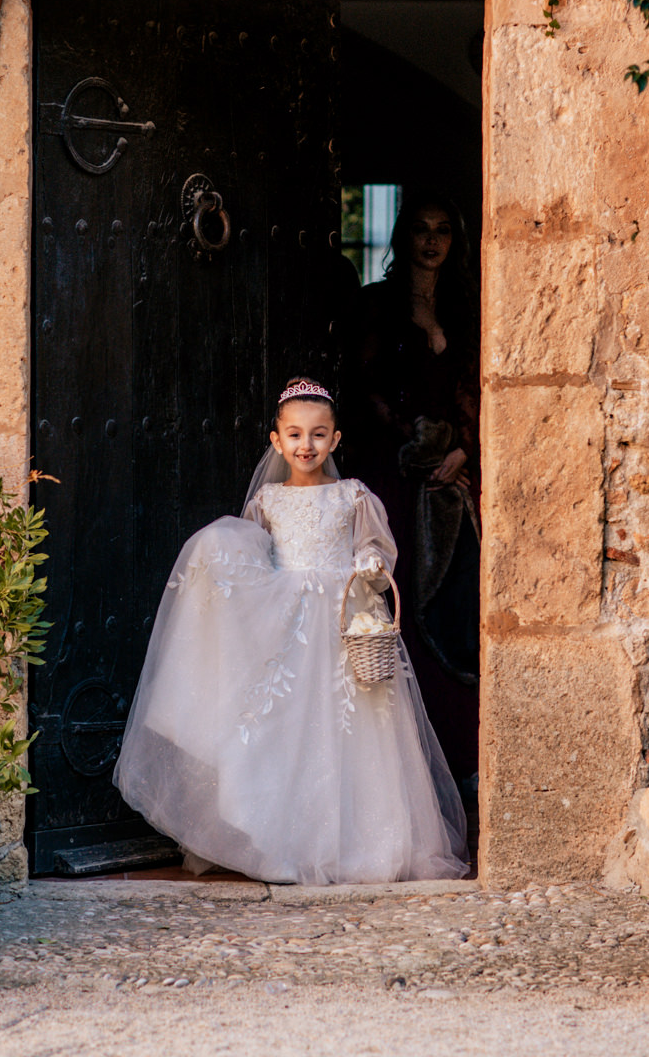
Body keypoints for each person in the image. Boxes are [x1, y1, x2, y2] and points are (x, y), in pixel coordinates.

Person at [114, 378, 468, 885]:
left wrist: (367, 565)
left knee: (349, 729)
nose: (307, 445)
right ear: (277, 441)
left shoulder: (353, 495)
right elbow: (253, 554)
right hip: (287, 625)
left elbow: (376, 546)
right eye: (296, 435)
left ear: (336, 440)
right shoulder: (268, 500)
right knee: (283, 729)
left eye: (319, 435)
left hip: (343, 617)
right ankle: (276, 843)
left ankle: (357, 846)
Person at [352, 191, 481, 794]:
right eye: (422, 229)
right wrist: (418, 444)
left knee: (455, 601)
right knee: (394, 604)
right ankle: (400, 767)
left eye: (444, 229)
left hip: (451, 474)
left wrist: (464, 450)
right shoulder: (377, 308)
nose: (431, 240)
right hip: (397, 474)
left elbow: (481, 387)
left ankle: (459, 757)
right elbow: (366, 390)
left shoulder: (468, 308)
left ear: (455, 241)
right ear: (404, 238)